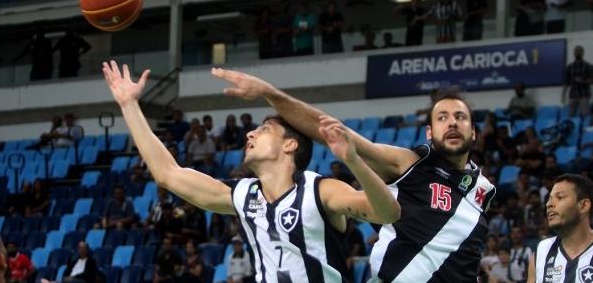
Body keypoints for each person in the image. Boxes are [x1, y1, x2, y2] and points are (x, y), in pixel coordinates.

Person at [102, 60, 401, 282]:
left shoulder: (320, 190)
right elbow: (168, 174)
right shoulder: (244, 195)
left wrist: (354, 161)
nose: (250, 135)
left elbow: (388, 214)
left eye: (264, 129)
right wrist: (129, 105)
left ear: (290, 145)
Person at [212, 68, 497, 282]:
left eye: (460, 117)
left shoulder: (483, 191)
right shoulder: (409, 164)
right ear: (429, 132)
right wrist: (269, 93)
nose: (452, 123)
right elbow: (330, 131)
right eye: (442, 117)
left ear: (473, 131)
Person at [527, 174, 593, 283]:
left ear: (584, 205)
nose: (548, 204)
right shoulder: (542, 250)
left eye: (560, 197)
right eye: (549, 199)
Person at [563, 46, 593, 117]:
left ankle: (585, 128)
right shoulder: (569, 67)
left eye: (579, 51)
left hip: (584, 95)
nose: (578, 52)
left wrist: (583, 81)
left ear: (583, 53)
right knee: (571, 116)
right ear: (574, 53)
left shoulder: (588, 66)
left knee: (585, 116)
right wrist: (563, 94)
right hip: (573, 94)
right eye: (576, 51)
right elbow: (566, 82)